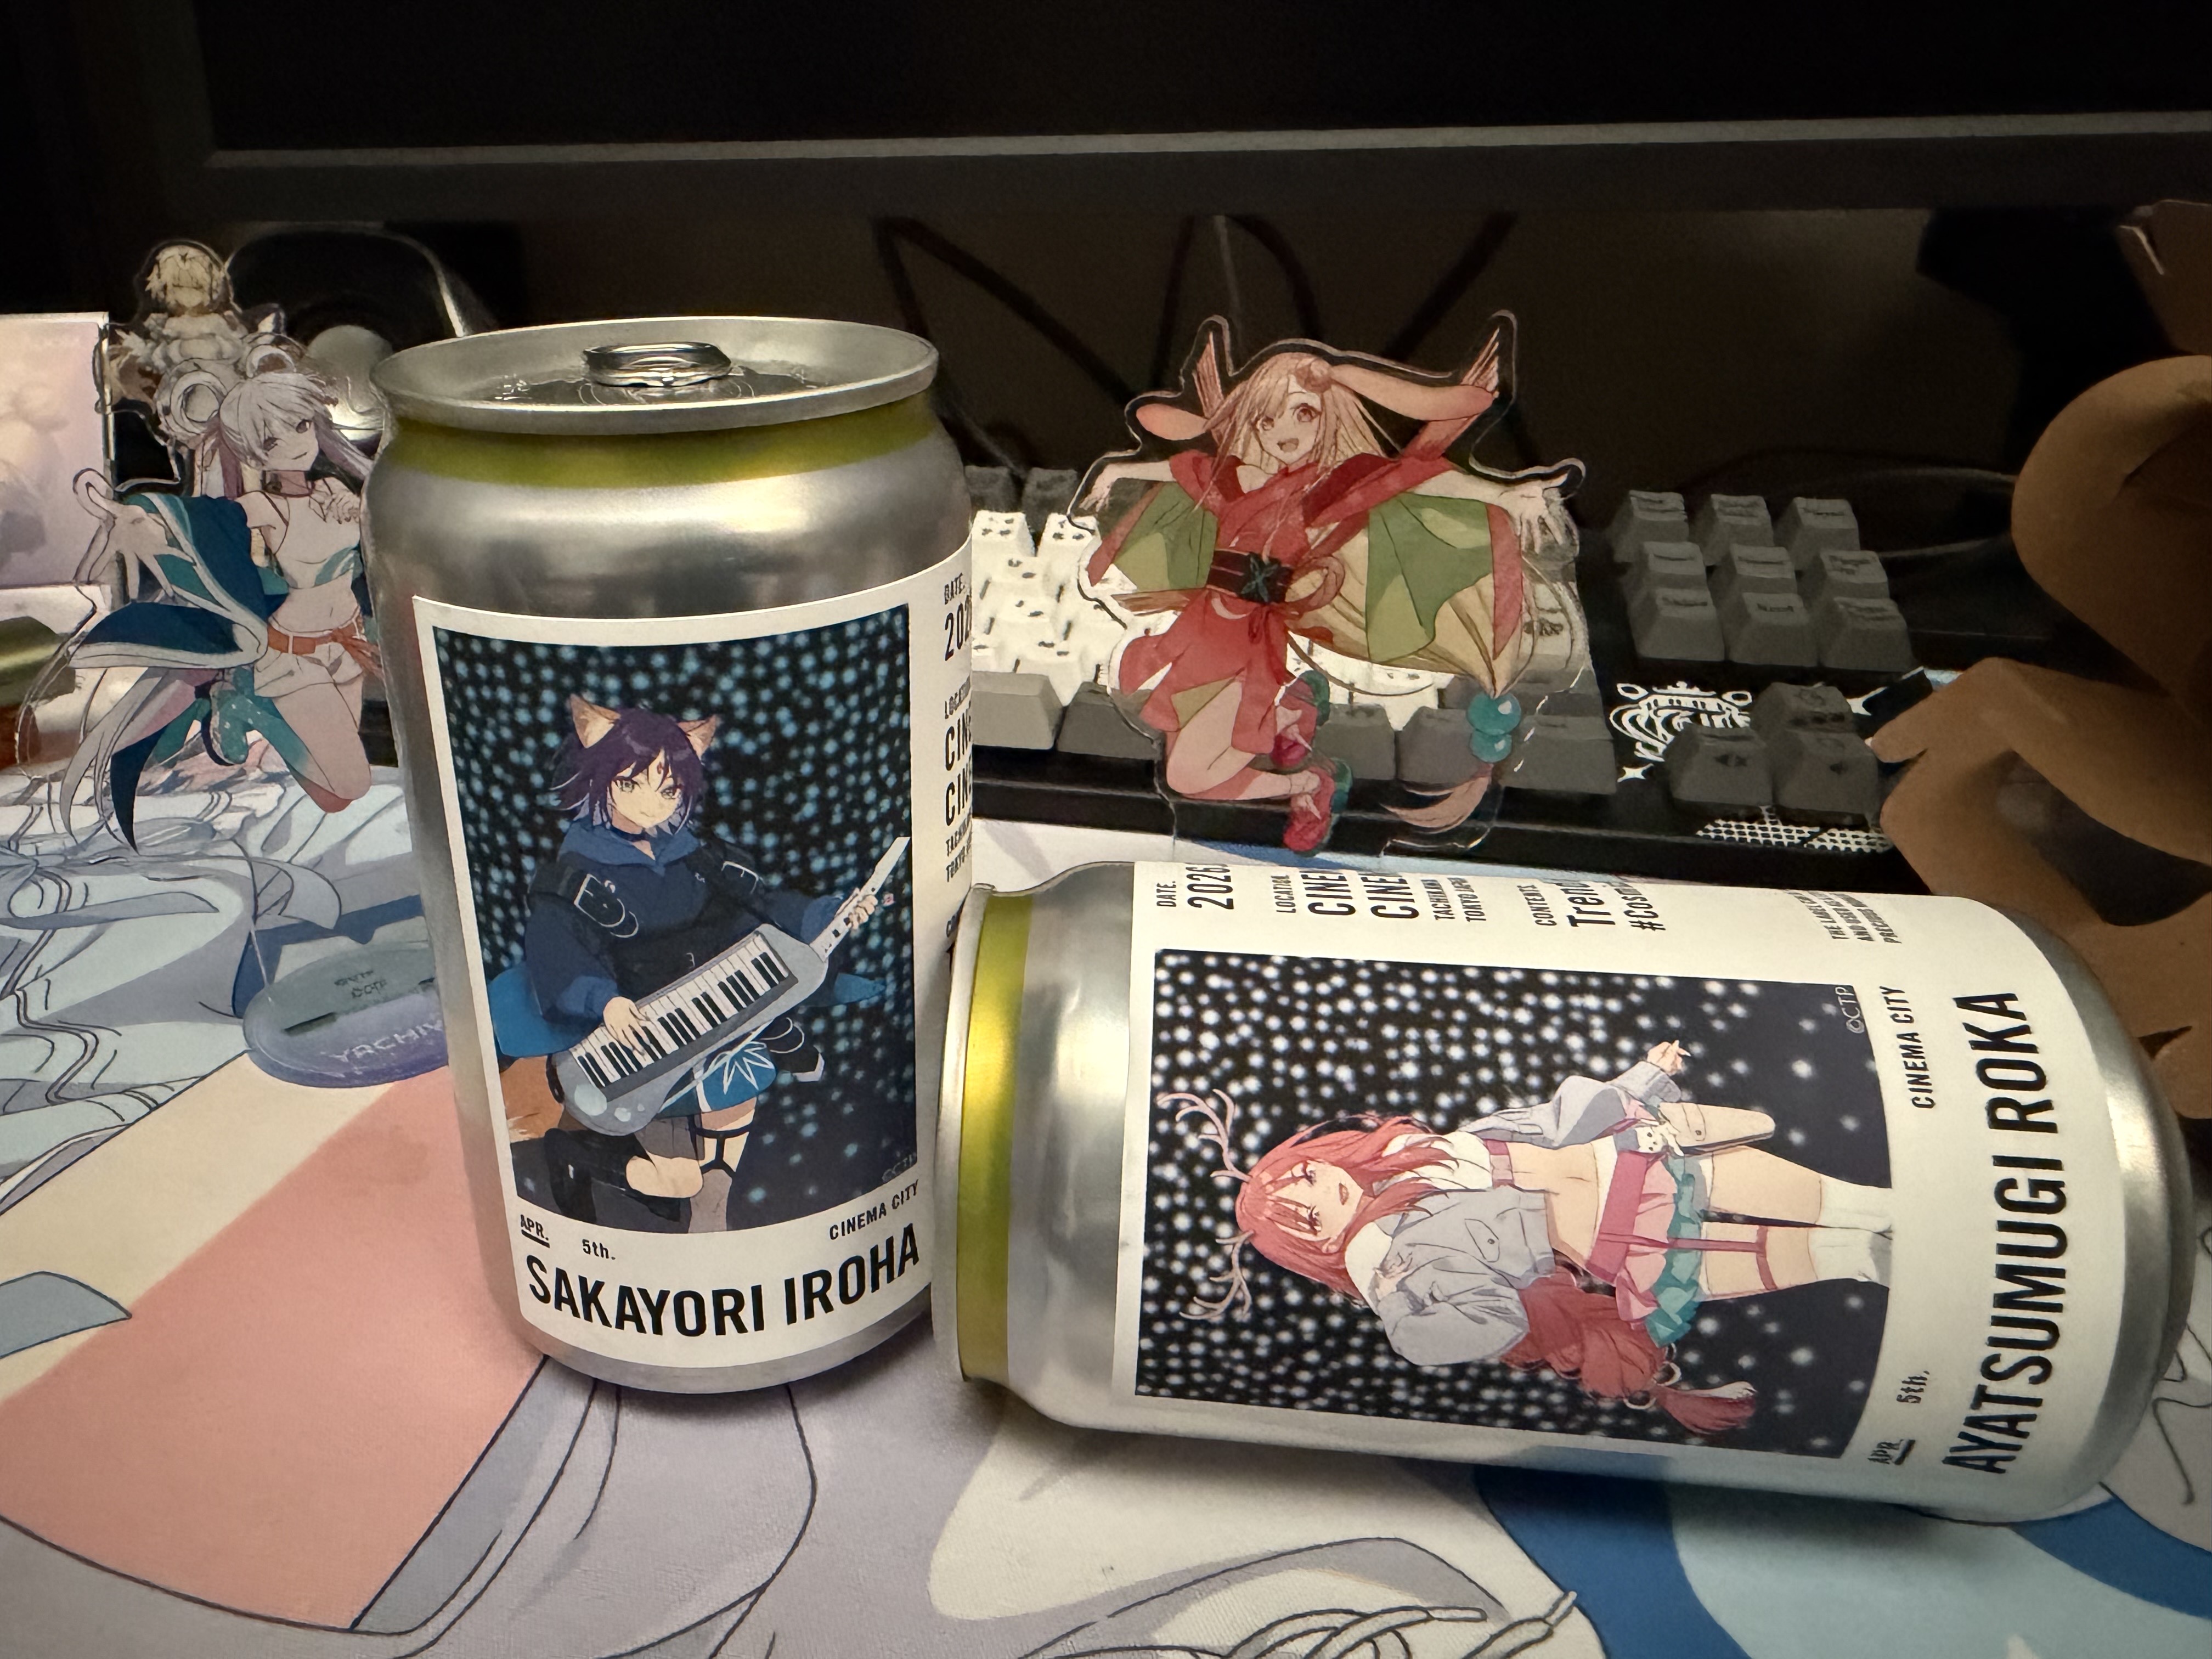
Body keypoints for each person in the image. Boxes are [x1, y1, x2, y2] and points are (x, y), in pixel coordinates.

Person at [1173, 1040, 1894, 1433]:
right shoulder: (1395, 1258)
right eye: (1302, 1219)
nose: (1317, 1195)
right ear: (1312, 1249)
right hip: (1607, 1235)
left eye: (1302, 1177)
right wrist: (1401, 1310)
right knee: (1764, 1253)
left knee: (1750, 1182)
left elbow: (1545, 1124)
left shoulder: (1419, 1155)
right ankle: (1859, 1256)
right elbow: (1488, 1322)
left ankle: (1876, 1212)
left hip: (1618, 1158)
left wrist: (1641, 1079)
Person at [1079, 325, 1582, 850]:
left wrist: (1506, 494)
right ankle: (1290, 716)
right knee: (1187, 749)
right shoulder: (1242, 478)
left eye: (1304, 413)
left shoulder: (1329, 487)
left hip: (1247, 643)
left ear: (1330, 415)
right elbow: (1186, 468)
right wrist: (1115, 472)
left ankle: (1308, 783)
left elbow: (1416, 477)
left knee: (1188, 777)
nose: (1284, 432)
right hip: (1200, 629)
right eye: (1267, 419)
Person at [487, 696, 885, 1228]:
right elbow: (556, 945)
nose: (651, 803)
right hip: (637, 1039)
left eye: (668, 789)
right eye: (631, 784)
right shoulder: (576, 876)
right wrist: (603, 1001)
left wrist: (831, 914)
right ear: (600, 780)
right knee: (674, 1179)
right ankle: (583, 1157)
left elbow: (761, 905)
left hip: (717, 1012)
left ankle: (711, 1209)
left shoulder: (696, 857)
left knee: (728, 1115)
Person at [61, 362, 378, 838]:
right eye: (271, 441)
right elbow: (204, 519)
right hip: (296, 658)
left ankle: (248, 707)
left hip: (348, 646)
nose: (297, 443)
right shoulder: (267, 508)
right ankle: (244, 709)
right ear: (253, 453)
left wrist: (362, 510)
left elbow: (383, 536)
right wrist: (143, 520)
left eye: (301, 425)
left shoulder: (334, 489)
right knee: (355, 781)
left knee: (334, 798)